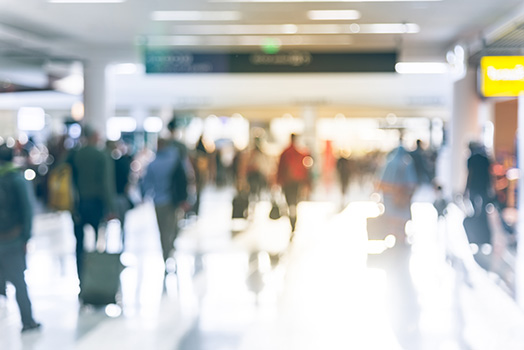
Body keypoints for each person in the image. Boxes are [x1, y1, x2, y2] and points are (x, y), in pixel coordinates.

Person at [68, 127, 117, 285]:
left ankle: (81, 277)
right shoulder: (101, 155)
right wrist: (111, 207)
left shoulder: (75, 154)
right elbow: (106, 184)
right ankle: (96, 278)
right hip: (96, 203)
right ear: (95, 137)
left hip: (78, 203)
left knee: (79, 243)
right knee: (99, 242)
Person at [0, 144, 41, 332]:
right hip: (12, 238)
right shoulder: (17, 178)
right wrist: (26, 237)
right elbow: (27, 210)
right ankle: (27, 320)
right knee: (18, 281)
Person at [141, 138, 189, 271]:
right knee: (173, 225)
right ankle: (170, 247)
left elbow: (146, 183)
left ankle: (166, 252)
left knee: (162, 229)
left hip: (159, 201)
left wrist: (144, 195)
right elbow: (184, 178)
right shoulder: (175, 159)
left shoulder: (153, 163)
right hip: (173, 200)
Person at [276, 133, 312, 236]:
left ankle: (292, 219)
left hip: (287, 182)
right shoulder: (299, 152)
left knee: (289, 201)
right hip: (296, 182)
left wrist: (278, 181)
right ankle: (293, 219)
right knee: (294, 202)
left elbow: (280, 168)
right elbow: (304, 169)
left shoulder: (285, 152)